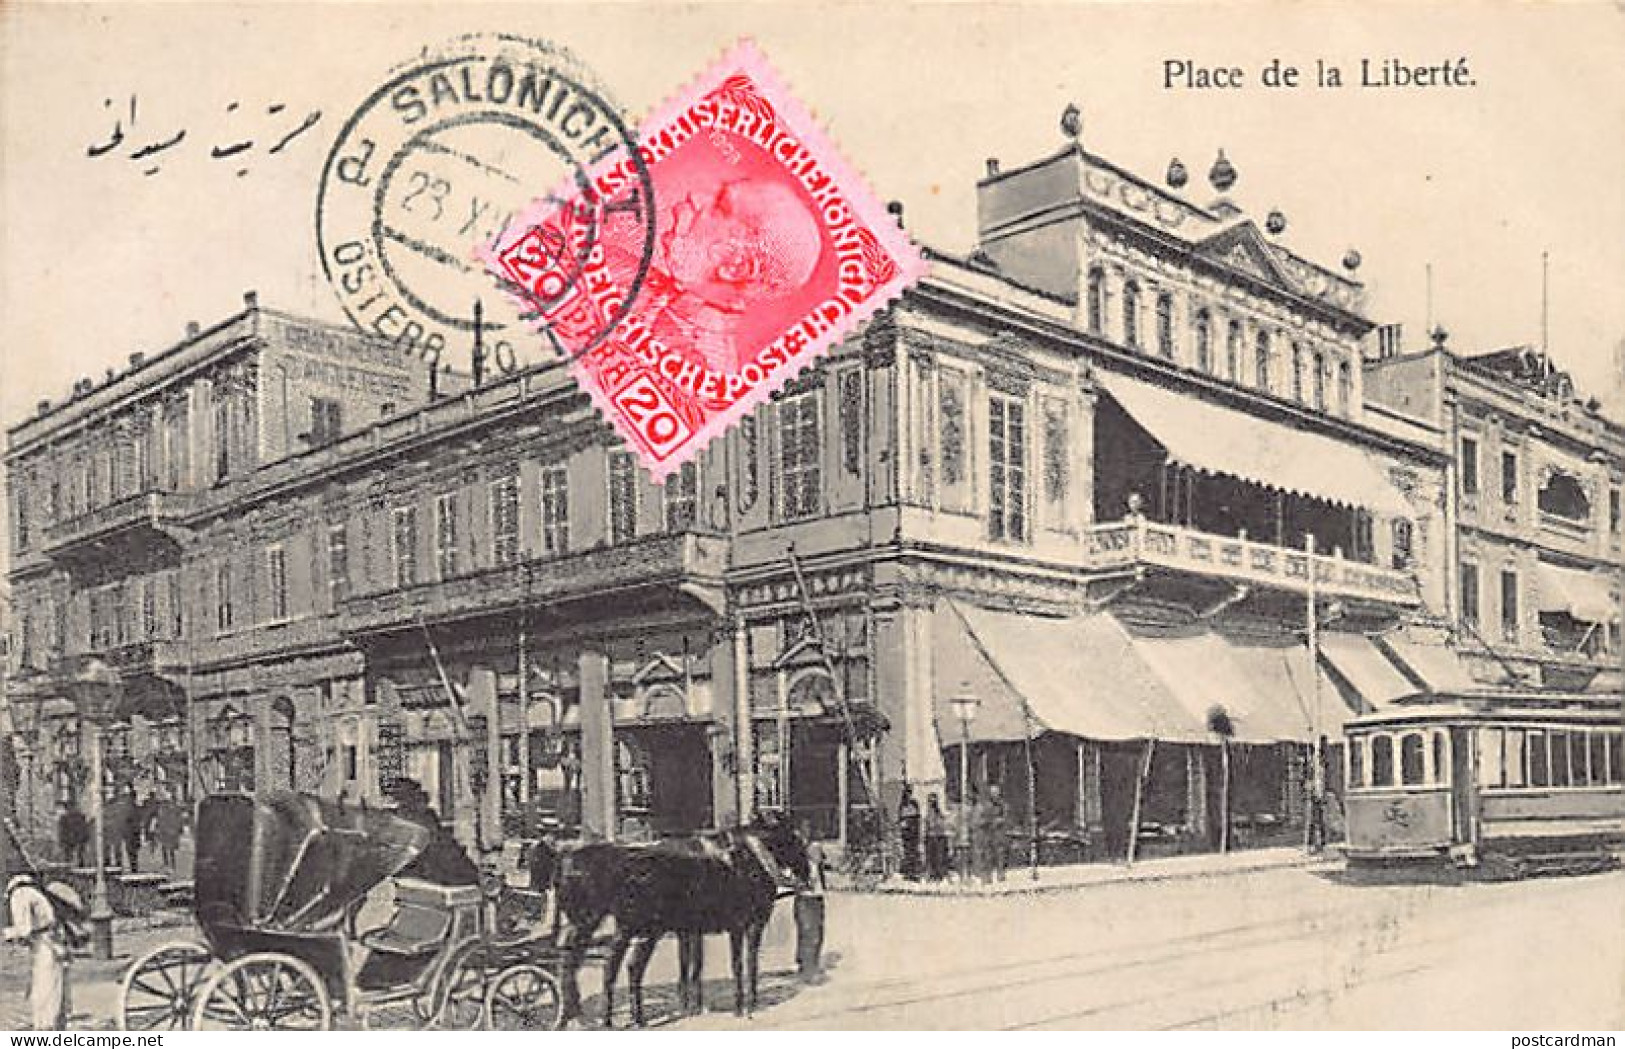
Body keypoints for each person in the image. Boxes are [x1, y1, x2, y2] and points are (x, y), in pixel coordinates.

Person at [4, 873, 74, 1030]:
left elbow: (24, 930)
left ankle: (46, 1030)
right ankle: (54, 1027)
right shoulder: (33, 891)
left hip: (46, 946)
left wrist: (7, 934)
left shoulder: (20, 895)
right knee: (55, 989)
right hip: (55, 943)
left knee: (45, 990)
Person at [793, 821, 827, 981]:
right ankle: (808, 969)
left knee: (815, 932)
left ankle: (807, 963)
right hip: (805, 897)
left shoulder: (813, 855)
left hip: (816, 896)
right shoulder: (798, 855)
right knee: (809, 933)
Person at [150, 792, 185, 871]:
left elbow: (178, 819)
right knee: (165, 848)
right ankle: (168, 864)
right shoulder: (163, 809)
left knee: (169, 848)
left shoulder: (173, 809)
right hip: (165, 830)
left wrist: (179, 829)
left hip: (169, 831)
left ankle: (172, 865)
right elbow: (159, 819)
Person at [983, 784, 1009, 883]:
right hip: (988, 833)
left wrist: (999, 821)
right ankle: (987, 877)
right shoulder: (986, 805)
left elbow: (1006, 817)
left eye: (996, 793)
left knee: (1000, 854)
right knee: (988, 855)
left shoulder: (1003, 805)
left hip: (999, 833)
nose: (994, 795)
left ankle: (1001, 875)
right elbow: (983, 817)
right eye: (992, 793)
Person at [897, 785, 922, 880]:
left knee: (913, 851)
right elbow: (901, 818)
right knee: (907, 852)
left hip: (913, 832)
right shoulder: (903, 805)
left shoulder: (914, 804)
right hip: (906, 833)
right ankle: (908, 872)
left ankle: (914, 872)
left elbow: (917, 818)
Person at [923, 794, 950, 882]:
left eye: (932, 801)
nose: (931, 803)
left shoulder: (939, 813)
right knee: (931, 857)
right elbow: (927, 825)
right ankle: (932, 874)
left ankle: (939, 875)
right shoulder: (928, 813)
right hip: (931, 837)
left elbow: (940, 824)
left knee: (938, 857)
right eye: (930, 801)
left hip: (938, 837)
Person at [56, 803, 89, 868]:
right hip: (80, 840)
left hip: (71, 842)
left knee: (70, 858)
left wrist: (62, 842)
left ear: (63, 808)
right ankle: (79, 864)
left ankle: (74, 865)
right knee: (79, 856)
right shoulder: (78, 815)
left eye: (58, 810)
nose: (57, 812)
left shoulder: (63, 818)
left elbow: (62, 833)